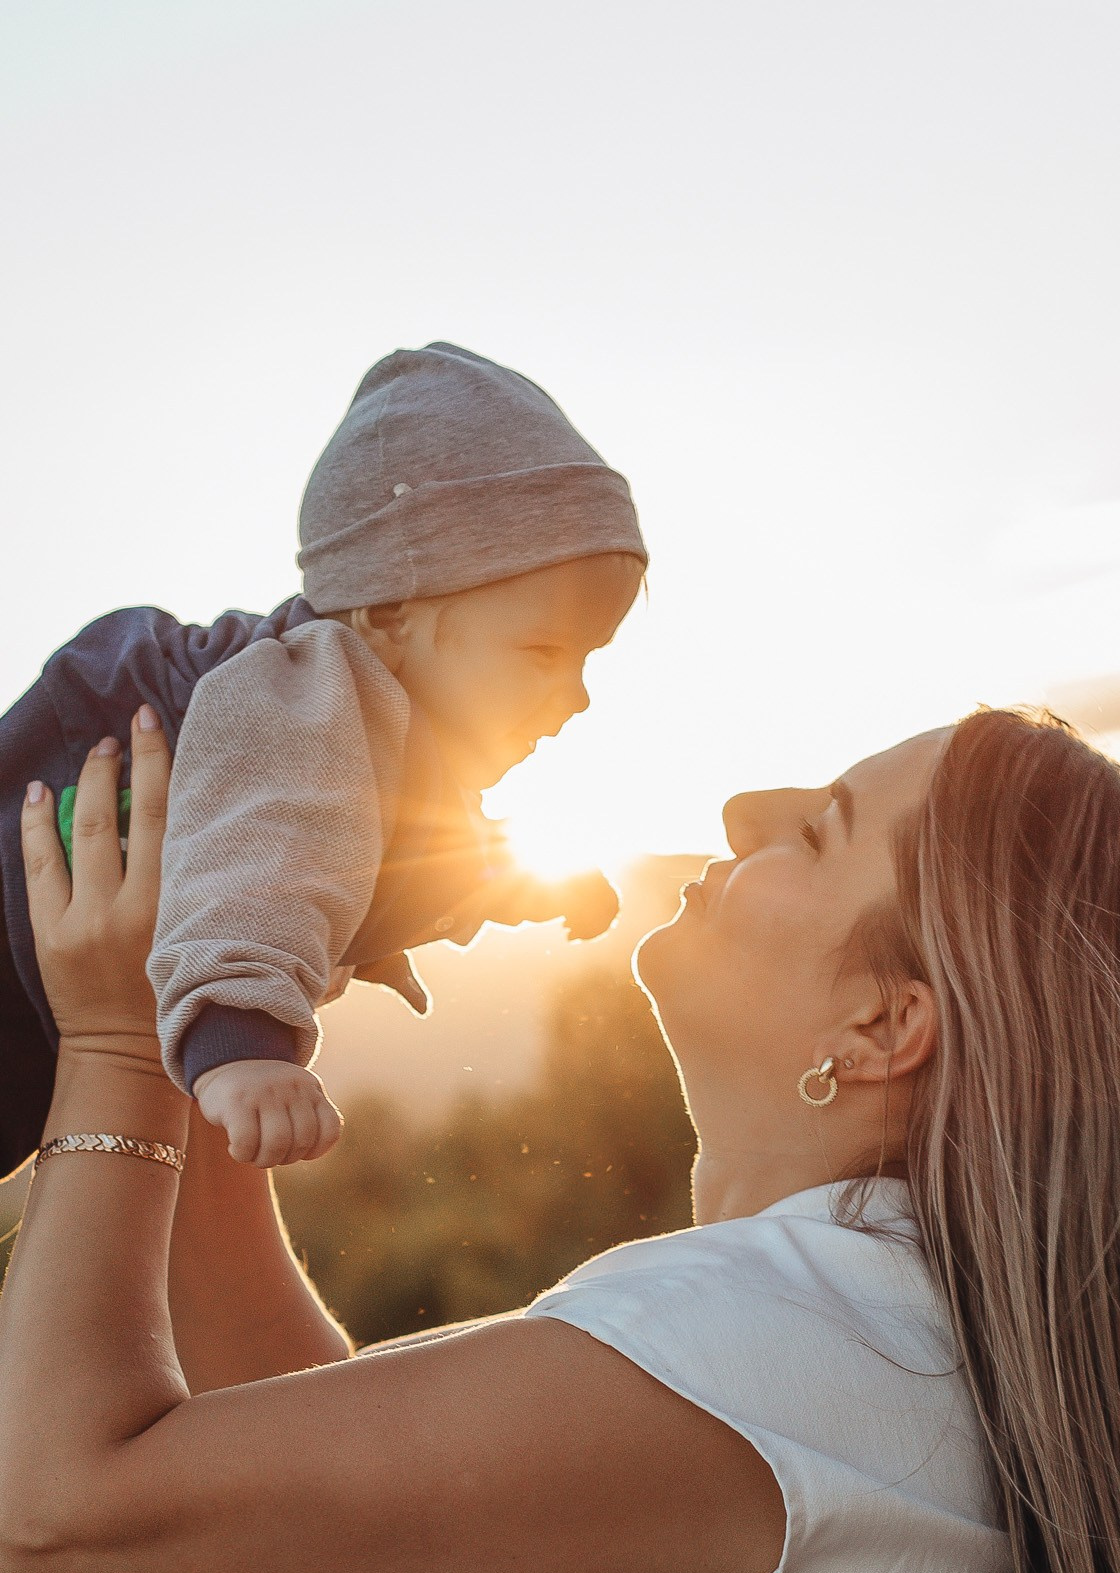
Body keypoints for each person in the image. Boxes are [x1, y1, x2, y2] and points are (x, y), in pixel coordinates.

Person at [0, 702, 1120, 1573]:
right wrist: (201, 1009)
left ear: (885, 1027)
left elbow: (56, 1513)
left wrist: (109, 1040)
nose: (746, 812)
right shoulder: (873, 1354)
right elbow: (303, 1460)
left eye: (822, 829)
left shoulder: (774, 1351)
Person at [0, 342, 646, 1178]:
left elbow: (417, 845)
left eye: (589, 658)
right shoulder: (307, 694)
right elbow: (265, 846)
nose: (576, 695)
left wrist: (524, 890)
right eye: (544, 650)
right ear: (386, 613)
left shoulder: (386, 740)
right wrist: (244, 1040)